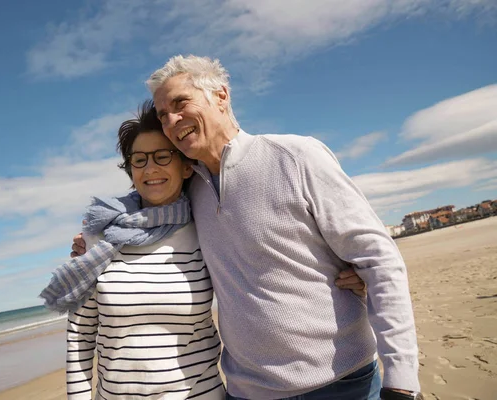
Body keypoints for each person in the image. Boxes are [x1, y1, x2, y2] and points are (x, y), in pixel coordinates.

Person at [72, 55, 421, 400]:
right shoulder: (189, 191)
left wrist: (402, 379)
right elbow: (144, 205)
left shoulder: (297, 157)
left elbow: (379, 260)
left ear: (221, 96)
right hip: (248, 392)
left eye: (181, 103)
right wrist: (98, 233)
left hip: (341, 383)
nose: (172, 120)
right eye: (163, 114)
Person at [41, 100, 225, 399]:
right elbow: (80, 336)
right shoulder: (100, 239)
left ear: (186, 166)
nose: (150, 168)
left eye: (162, 156)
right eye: (139, 159)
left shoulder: (207, 230)